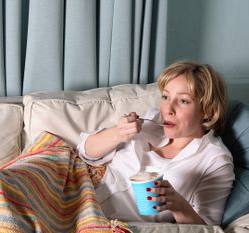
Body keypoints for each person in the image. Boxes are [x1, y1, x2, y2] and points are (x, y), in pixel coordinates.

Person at [77, 61, 234, 225]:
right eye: (166, 97)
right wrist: (118, 133)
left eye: (183, 101)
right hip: (80, 200)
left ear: (207, 110)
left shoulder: (216, 160)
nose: (168, 109)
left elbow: (207, 228)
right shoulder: (150, 120)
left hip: (115, 226)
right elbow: (84, 151)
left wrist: (179, 206)